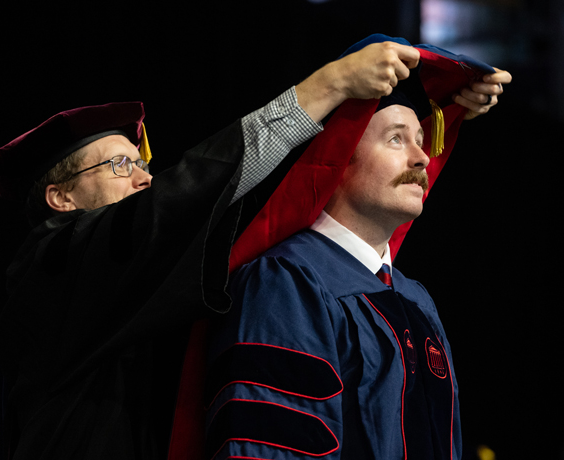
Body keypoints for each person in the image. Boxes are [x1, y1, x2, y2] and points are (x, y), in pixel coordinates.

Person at [203, 35, 512, 460]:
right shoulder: (287, 282)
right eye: (396, 139)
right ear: (340, 153)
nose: (422, 158)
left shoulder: (415, 298)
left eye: (421, 139)